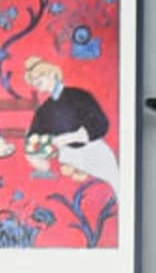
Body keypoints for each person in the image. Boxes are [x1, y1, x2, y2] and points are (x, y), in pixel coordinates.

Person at [21, 58, 117, 194]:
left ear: (51, 74)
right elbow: (35, 135)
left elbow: (101, 124)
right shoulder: (45, 109)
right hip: (68, 159)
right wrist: (33, 145)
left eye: (39, 80)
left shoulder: (79, 96)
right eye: (34, 83)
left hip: (95, 153)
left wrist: (69, 138)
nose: (37, 85)